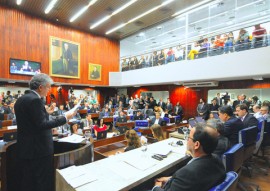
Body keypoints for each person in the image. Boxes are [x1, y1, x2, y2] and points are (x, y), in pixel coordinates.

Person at [14, 73, 76, 191]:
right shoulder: (35, 101)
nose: (48, 90)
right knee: (42, 181)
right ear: (40, 87)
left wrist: (46, 113)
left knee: (29, 180)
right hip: (39, 149)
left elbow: (31, 122)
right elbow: (42, 125)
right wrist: (65, 118)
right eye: (48, 87)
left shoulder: (21, 99)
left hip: (26, 148)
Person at [152, 123, 226, 191]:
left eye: (189, 137)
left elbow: (187, 177)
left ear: (196, 145)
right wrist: (170, 179)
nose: (187, 140)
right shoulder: (217, 159)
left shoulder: (187, 173)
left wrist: (156, 187)